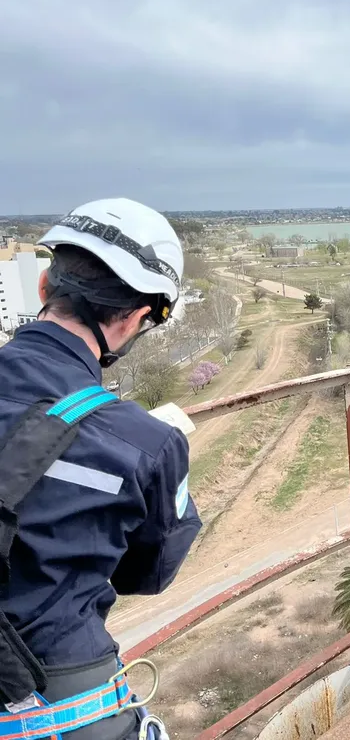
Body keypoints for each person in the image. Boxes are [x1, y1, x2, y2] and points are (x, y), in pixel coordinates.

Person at [0, 198, 202, 739]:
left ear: (44, 287)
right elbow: (149, 572)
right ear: (138, 319)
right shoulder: (145, 443)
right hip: (54, 691)